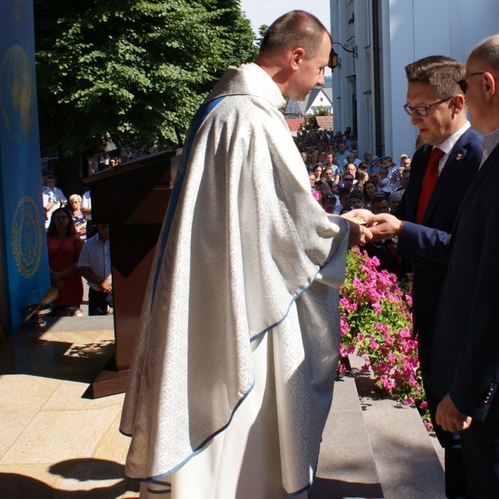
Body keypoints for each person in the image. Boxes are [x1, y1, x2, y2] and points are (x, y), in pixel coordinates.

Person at [119, 11, 371, 498]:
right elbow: (290, 226)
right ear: (295, 56)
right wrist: (344, 231)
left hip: (223, 284)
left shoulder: (226, 108)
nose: (322, 78)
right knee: (245, 429)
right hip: (247, 301)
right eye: (319, 67)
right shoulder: (252, 119)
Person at [370, 34, 499, 497]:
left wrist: (469, 391)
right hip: (485, 372)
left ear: (485, 84)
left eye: (463, 83)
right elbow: (477, 255)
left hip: (498, 384)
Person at [388, 54, 482, 497]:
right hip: (430, 315)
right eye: (410, 108)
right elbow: (411, 222)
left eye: (422, 109)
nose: (414, 120)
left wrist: (404, 231)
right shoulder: (426, 155)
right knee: (446, 434)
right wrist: (375, 229)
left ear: (457, 102)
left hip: (463, 323)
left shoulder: (480, 158)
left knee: (466, 441)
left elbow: (468, 250)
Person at [46, 208, 84, 316]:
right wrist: (54, 275)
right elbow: (42, 260)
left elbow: (80, 261)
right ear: (53, 221)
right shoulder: (47, 238)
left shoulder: (75, 239)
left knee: (74, 314)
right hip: (52, 281)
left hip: (71, 281)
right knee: (54, 314)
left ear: (69, 220)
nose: (61, 220)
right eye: (57, 218)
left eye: (63, 217)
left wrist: (61, 275)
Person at [77, 223, 112, 316]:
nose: (106, 229)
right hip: (96, 292)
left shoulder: (122, 242)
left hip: (116, 292)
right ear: (98, 227)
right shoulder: (89, 244)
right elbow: (82, 267)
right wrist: (99, 283)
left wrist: (110, 282)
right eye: (103, 226)